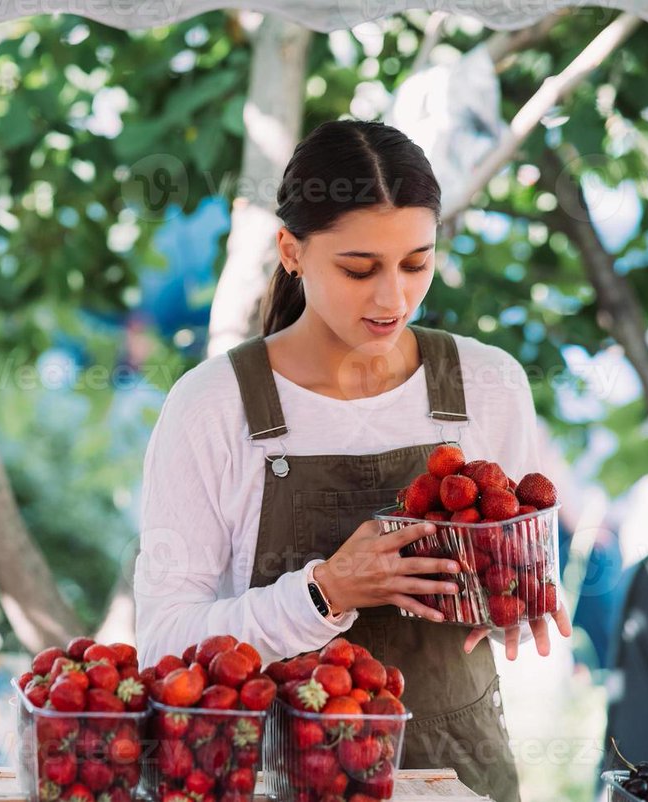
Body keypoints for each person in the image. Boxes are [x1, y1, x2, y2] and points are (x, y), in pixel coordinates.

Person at [133, 119, 572, 802]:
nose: (392, 298)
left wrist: (522, 591)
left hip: (457, 779)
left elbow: (520, 561)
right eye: (359, 269)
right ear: (291, 251)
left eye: (416, 264)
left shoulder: (490, 384)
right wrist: (324, 592)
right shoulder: (212, 406)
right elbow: (163, 646)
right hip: (277, 777)